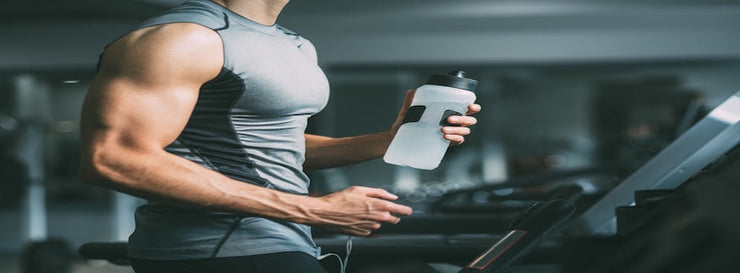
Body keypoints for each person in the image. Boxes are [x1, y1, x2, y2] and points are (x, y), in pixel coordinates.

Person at [79, 0, 481, 272]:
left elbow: (276, 149)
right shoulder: (183, 38)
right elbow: (114, 158)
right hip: (218, 251)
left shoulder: (296, 45)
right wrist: (314, 210)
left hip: (284, 243)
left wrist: (392, 139)